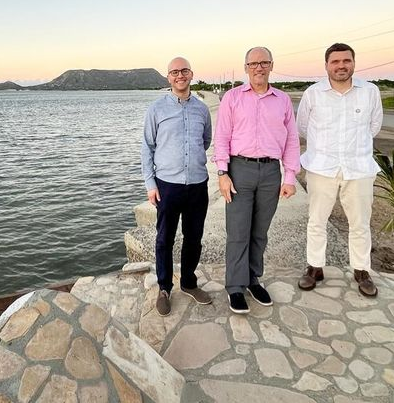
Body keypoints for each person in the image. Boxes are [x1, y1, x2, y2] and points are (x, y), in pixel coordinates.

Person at [214, 47, 300, 314]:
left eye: (264, 62)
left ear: (271, 65)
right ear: (246, 68)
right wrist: (222, 173)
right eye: (253, 63)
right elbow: (221, 137)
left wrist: (290, 177)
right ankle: (235, 287)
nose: (259, 67)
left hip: (271, 172)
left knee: (260, 232)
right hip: (239, 169)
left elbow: (292, 139)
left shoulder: (282, 100)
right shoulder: (232, 97)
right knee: (238, 231)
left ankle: (253, 280)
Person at [297, 43, 383, 297]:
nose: (341, 66)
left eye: (346, 61)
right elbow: (303, 127)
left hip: (358, 169)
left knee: (360, 223)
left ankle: (361, 270)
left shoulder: (370, 92)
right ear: (326, 65)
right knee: (316, 221)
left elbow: (374, 126)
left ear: (354, 63)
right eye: (335, 61)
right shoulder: (313, 94)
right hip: (321, 168)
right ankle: (315, 267)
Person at [141, 56, 213, 316]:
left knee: (194, 238)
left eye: (184, 71)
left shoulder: (202, 110)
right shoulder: (156, 109)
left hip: (197, 184)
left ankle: (189, 283)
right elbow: (147, 147)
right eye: (174, 72)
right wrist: (150, 183)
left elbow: (205, 141)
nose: (180, 75)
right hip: (167, 186)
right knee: (164, 239)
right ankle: (164, 288)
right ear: (168, 77)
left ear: (191, 74)